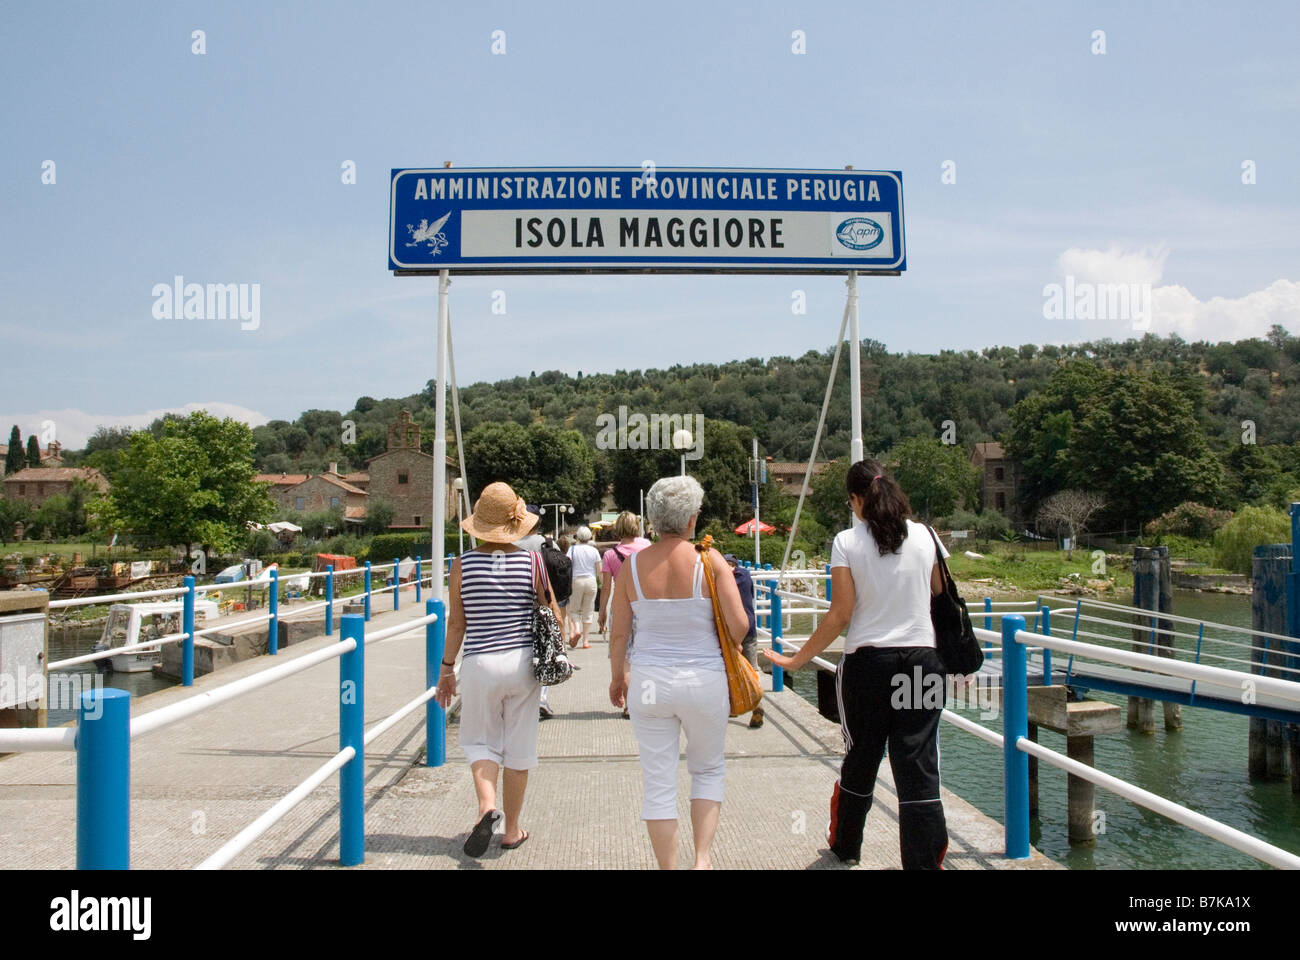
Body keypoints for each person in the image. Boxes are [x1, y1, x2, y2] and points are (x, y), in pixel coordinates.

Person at [762, 460, 950, 869]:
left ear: (855, 499)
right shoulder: (926, 536)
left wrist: (796, 658)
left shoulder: (847, 541)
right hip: (922, 661)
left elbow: (840, 614)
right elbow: (940, 593)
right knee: (918, 762)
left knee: (862, 755)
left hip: (869, 665)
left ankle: (847, 845)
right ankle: (923, 862)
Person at [609, 476, 749, 870]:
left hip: (650, 682)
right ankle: (701, 861)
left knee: (658, 781)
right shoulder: (710, 561)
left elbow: (619, 633)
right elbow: (740, 628)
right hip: (705, 682)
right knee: (707, 769)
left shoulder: (631, 567)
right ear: (691, 520)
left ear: (653, 519)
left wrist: (617, 677)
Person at [437, 482, 562, 856]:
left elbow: (457, 624)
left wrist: (446, 669)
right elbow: (550, 611)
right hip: (523, 663)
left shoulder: (462, 565)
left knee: (480, 741)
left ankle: (486, 807)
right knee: (519, 746)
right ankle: (512, 830)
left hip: (479, 664)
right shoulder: (532, 561)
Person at [597, 511, 651, 718]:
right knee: (645, 656)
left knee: (625, 658)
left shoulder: (611, 555)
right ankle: (647, 701)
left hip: (622, 608)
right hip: (646, 607)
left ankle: (629, 705)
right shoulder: (647, 547)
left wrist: (602, 612)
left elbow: (606, 587)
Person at [722, 554, 763, 728]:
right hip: (750, 628)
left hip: (732, 629)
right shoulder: (745, 575)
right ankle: (758, 705)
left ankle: (733, 705)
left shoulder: (725, 578)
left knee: (728, 668)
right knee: (752, 668)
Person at [566, 526, 601, 649]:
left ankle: (576, 629)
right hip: (591, 581)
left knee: (574, 610)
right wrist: (600, 582)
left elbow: (568, 566)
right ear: (589, 537)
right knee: (588, 611)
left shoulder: (572, 549)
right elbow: (599, 570)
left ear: (578, 537)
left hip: (576, 581)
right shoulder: (594, 551)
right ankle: (586, 641)